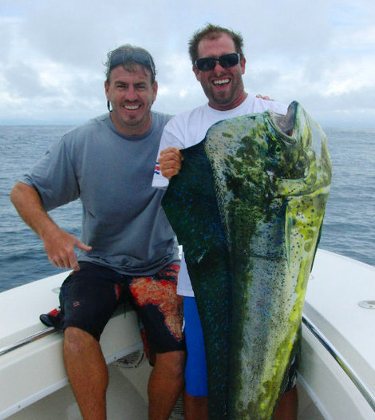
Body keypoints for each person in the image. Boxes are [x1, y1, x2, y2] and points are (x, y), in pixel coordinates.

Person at [10, 45, 186, 420]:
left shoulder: (180, 134)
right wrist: (51, 233)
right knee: (75, 336)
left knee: (175, 354)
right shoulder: (81, 141)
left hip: (159, 263)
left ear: (155, 89)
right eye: (121, 86)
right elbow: (22, 190)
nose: (131, 96)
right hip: (99, 262)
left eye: (140, 85)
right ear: (106, 89)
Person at [152, 24, 299, 420]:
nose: (219, 69)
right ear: (196, 71)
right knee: (199, 381)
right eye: (207, 62)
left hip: (267, 278)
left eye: (227, 59)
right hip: (204, 279)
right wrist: (172, 172)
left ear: (243, 63)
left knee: (279, 376)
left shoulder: (274, 117)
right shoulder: (179, 128)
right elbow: (172, 201)